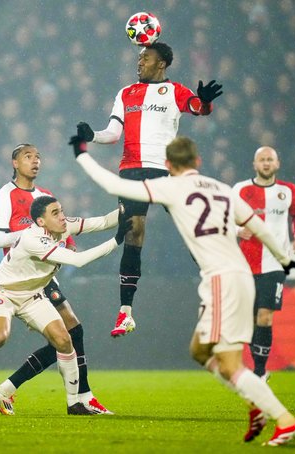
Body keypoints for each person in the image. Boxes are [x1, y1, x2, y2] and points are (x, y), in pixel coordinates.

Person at [69, 135, 295, 446]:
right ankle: (257, 403)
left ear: (167, 166)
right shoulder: (222, 188)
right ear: (198, 162)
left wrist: (82, 154)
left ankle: (285, 420)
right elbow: (259, 227)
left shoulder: (171, 186)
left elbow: (114, 186)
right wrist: (287, 259)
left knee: (231, 364)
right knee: (199, 351)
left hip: (223, 279)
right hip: (233, 276)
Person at [0, 195, 132, 415]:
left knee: (65, 340)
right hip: (1, 291)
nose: (62, 217)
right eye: (55, 213)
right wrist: (117, 240)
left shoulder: (64, 226)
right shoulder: (33, 239)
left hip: (32, 295)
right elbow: (78, 260)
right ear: (40, 221)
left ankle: (74, 403)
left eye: (61, 210)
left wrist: (131, 208)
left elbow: (103, 221)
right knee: (0, 336)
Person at [75, 42, 223, 337]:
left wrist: (205, 103)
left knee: (191, 226)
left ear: (161, 64)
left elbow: (197, 108)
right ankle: (125, 313)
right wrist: (92, 135)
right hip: (131, 170)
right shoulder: (125, 93)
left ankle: (219, 281)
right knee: (134, 232)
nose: (139, 62)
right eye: (138, 57)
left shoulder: (176, 91)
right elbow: (113, 133)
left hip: (167, 170)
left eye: (145, 58)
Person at [0, 143, 112, 415]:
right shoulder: (4, 196)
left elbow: (63, 226)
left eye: (38, 157)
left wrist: (67, 242)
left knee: (70, 334)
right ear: (15, 163)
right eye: (28, 157)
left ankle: (10, 388)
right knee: (70, 333)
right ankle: (80, 397)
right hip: (24, 274)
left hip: (46, 270)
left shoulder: (45, 195)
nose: (35, 161)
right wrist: (31, 237)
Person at [232, 146, 295, 380]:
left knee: (265, 316)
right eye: (262, 160)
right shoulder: (241, 189)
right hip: (246, 264)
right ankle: (259, 366)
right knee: (252, 320)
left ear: (277, 164)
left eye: (270, 160)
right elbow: (224, 217)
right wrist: (236, 230)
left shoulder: (288, 190)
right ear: (254, 164)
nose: (266, 163)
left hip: (275, 263)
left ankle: (260, 372)